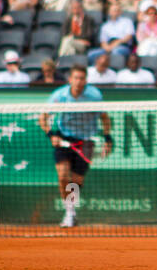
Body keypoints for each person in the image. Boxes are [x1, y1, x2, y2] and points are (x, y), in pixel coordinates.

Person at [38, 66, 114, 228]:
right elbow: (43, 118)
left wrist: (107, 138)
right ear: (70, 80)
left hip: (86, 141)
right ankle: (69, 212)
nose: (79, 82)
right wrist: (52, 135)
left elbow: (105, 119)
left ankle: (72, 207)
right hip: (64, 139)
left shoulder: (94, 96)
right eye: (76, 78)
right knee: (63, 176)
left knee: (77, 181)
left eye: (82, 78)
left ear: (86, 80)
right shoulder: (59, 96)